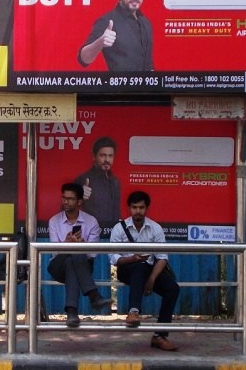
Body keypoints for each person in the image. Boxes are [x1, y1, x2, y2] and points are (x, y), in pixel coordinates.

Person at [109, 190, 180, 351]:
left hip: (149, 271)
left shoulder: (155, 228)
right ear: (129, 208)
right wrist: (131, 259)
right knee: (139, 267)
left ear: (146, 208)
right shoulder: (119, 229)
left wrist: (152, 280)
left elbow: (162, 257)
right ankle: (133, 312)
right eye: (134, 207)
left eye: (141, 207)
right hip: (126, 269)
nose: (138, 211)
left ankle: (160, 336)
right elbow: (113, 258)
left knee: (172, 289)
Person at [47, 182, 112, 328]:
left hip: (81, 265)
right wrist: (66, 244)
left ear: (79, 202)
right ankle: (94, 296)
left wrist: (82, 245)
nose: (65, 202)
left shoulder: (91, 221)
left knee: (74, 257)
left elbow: (93, 254)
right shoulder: (54, 221)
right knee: (72, 254)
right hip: (57, 266)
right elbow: (54, 252)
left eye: (70, 199)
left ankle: (72, 312)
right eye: (64, 198)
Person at [78, 0, 153, 72]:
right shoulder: (107, 21)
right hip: (119, 87)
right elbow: (83, 58)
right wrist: (100, 42)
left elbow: (148, 63)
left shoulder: (146, 23)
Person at [72, 136, 120, 229]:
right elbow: (66, 209)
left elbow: (116, 212)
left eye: (110, 156)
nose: (107, 160)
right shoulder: (83, 180)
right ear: (94, 157)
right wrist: (78, 196)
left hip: (112, 233)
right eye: (102, 155)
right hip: (90, 234)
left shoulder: (115, 181)